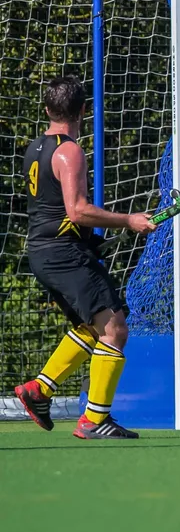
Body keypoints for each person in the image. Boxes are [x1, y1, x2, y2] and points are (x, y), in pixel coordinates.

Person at [14, 76, 156, 439]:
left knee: (92, 328)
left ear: (47, 109)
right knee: (116, 329)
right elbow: (76, 211)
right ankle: (94, 419)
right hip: (63, 255)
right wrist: (128, 220)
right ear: (83, 111)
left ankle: (38, 390)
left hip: (43, 251)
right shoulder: (70, 150)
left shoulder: (35, 147)